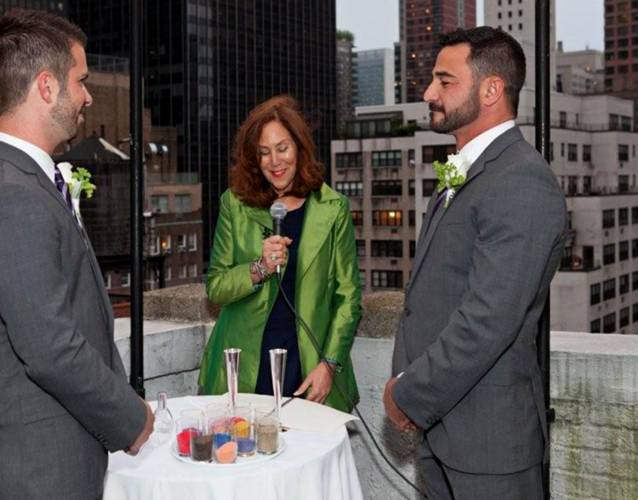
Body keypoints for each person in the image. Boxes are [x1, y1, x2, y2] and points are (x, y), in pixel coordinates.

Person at [0, 9, 153, 499]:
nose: (87, 95)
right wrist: (130, 417)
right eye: (80, 80)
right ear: (46, 87)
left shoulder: (25, 180)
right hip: (39, 476)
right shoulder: (9, 197)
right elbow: (51, 348)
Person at [383, 27, 567, 499]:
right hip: (443, 436)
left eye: (445, 81)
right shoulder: (467, 170)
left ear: (491, 90)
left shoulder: (522, 180)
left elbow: (488, 320)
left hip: (489, 449)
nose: (428, 93)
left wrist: (409, 392)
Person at [198, 95, 361, 412]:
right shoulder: (235, 204)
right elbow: (216, 288)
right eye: (264, 153)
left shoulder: (333, 207)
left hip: (309, 366)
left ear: (299, 147)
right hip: (247, 364)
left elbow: (348, 296)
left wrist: (329, 364)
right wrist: (258, 268)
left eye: (282, 148)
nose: (275, 162)